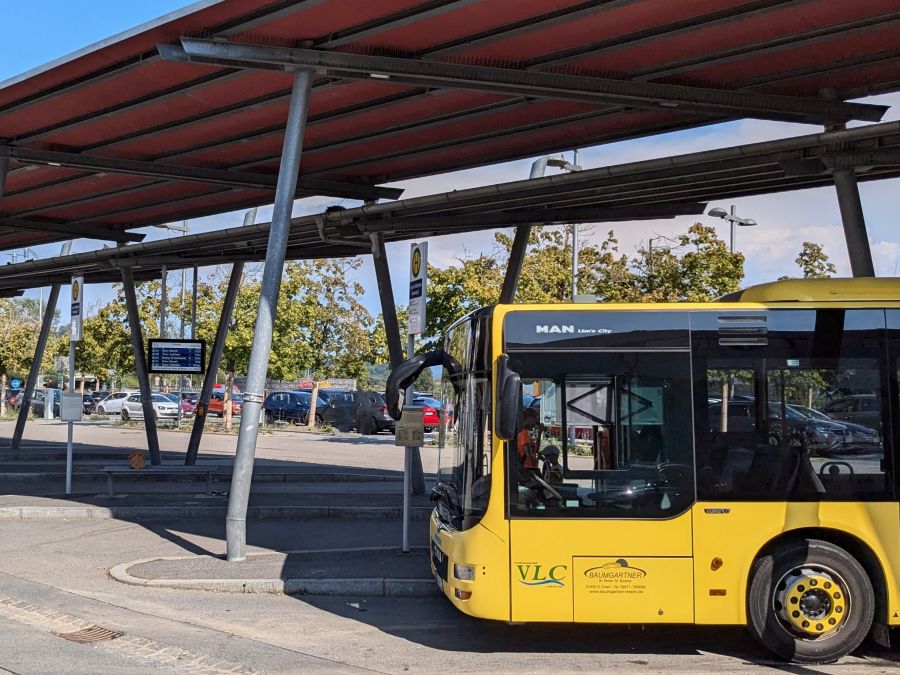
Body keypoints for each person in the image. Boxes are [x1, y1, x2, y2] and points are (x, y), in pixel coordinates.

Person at [517, 407, 540, 473]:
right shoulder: (524, 433)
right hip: (528, 469)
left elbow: (535, 450)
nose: (535, 424)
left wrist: (539, 433)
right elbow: (529, 455)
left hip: (527, 468)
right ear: (529, 418)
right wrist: (535, 460)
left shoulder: (523, 432)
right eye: (534, 420)